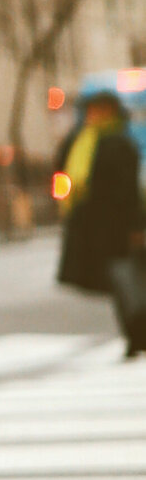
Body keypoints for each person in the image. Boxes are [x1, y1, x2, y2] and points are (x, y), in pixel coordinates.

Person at [56, 87, 146, 352]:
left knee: (127, 282)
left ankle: (137, 337)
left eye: (97, 111)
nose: (91, 116)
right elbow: (63, 166)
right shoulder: (85, 140)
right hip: (96, 229)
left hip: (117, 228)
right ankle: (134, 336)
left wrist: (136, 227)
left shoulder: (119, 143)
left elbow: (129, 191)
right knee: (121, 283)